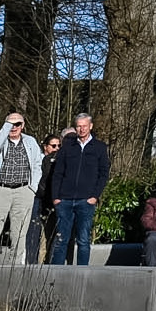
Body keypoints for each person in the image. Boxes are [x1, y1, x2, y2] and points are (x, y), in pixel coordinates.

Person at [48, 113, 111, 265]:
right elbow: (57, 173)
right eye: (79, 126)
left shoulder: (100, 147)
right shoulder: (67, 148)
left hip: (86, 200)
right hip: (65, 200)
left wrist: (95, 196)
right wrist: (56, 197)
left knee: (83, 239)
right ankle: (55, 274)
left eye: (84, 126)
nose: (82, 129)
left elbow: (103, 174)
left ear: (90, 126)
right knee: (61, 239)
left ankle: (83, 272)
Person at [0, 112, 43, 264]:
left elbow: (37, 164)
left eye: (17, 124)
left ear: (23, 126)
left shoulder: (30, 141)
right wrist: (6, 127)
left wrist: (32, 187)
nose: (13, 127)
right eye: (10, 124)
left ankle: (16, 267)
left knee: (20, 232)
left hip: (23, 190)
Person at [29, 133, 63, 264]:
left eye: (59, 146)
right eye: (53, 146)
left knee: (51, 236)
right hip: (39, 200)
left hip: (53, 201)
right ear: (45, 147)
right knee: (39, 236)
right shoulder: (40, 161)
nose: (56, 148)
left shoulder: (58, 161)